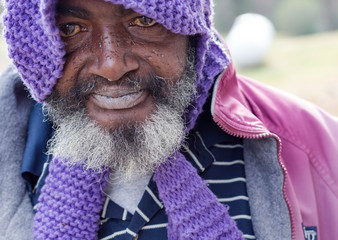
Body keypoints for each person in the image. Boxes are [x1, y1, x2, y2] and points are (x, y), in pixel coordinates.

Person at [0, 0, 337, 239]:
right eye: (71, 28)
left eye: (144, 21)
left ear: (193, 33)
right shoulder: (14, 152)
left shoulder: (314, 146)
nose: (112, 65)